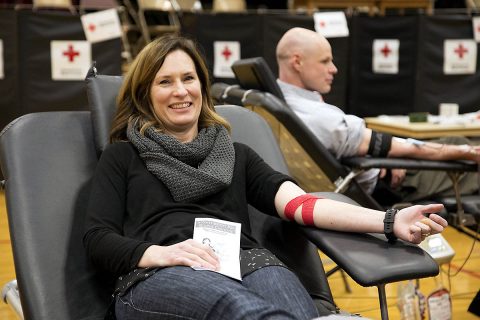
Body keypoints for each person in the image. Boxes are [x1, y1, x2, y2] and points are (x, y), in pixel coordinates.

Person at [83, 34, 448, 320]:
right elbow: (98, 239)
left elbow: (303, 205)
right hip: (158, 276)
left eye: (188, 78)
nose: (180, 91)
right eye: (165, 82)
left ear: (202, 85)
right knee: (242, 310)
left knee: (292, 309)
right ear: (146, 94)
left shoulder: (236, 155)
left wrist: (389, 220)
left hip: (245, 263)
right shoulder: (123, 155)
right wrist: (159, 254)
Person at [276, 27, 480, 204]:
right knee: (460, 144)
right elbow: (400, 147)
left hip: (363, 168)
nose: (334, 68)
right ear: (297, 62)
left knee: (455, 141)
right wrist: (467, 152)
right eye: (325, 61)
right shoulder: (320, 118)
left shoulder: (273, 100)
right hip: (391, 184)